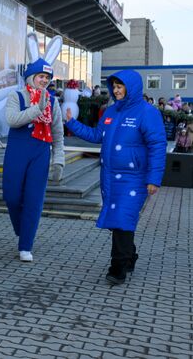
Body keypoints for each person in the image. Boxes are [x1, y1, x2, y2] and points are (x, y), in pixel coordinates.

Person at [65, 70, 166, 285]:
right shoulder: (111, 111)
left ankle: (118, 267)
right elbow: (96, 135)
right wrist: (72, 123)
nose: (117, 90)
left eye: (121, 86)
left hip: (135, 178)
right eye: (115, 87)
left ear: (132, 87)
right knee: (119, 221)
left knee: (122, 218)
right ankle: (129, 255)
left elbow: (157, 146)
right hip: (110, 176)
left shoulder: (148, 113)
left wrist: (154, 178)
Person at [2, 33, 65, 263]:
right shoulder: (16, 95)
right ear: (31, 77)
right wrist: (35, 110)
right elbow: (11, 119)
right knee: (11, 195)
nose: (44, 81)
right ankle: (23, 228)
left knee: (34, 199)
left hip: (41, 151)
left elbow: (58, 132)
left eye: (47, 77)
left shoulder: (52, 101)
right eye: (41, 76)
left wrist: (59, 160)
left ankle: (26, 243)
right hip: (17, 152)